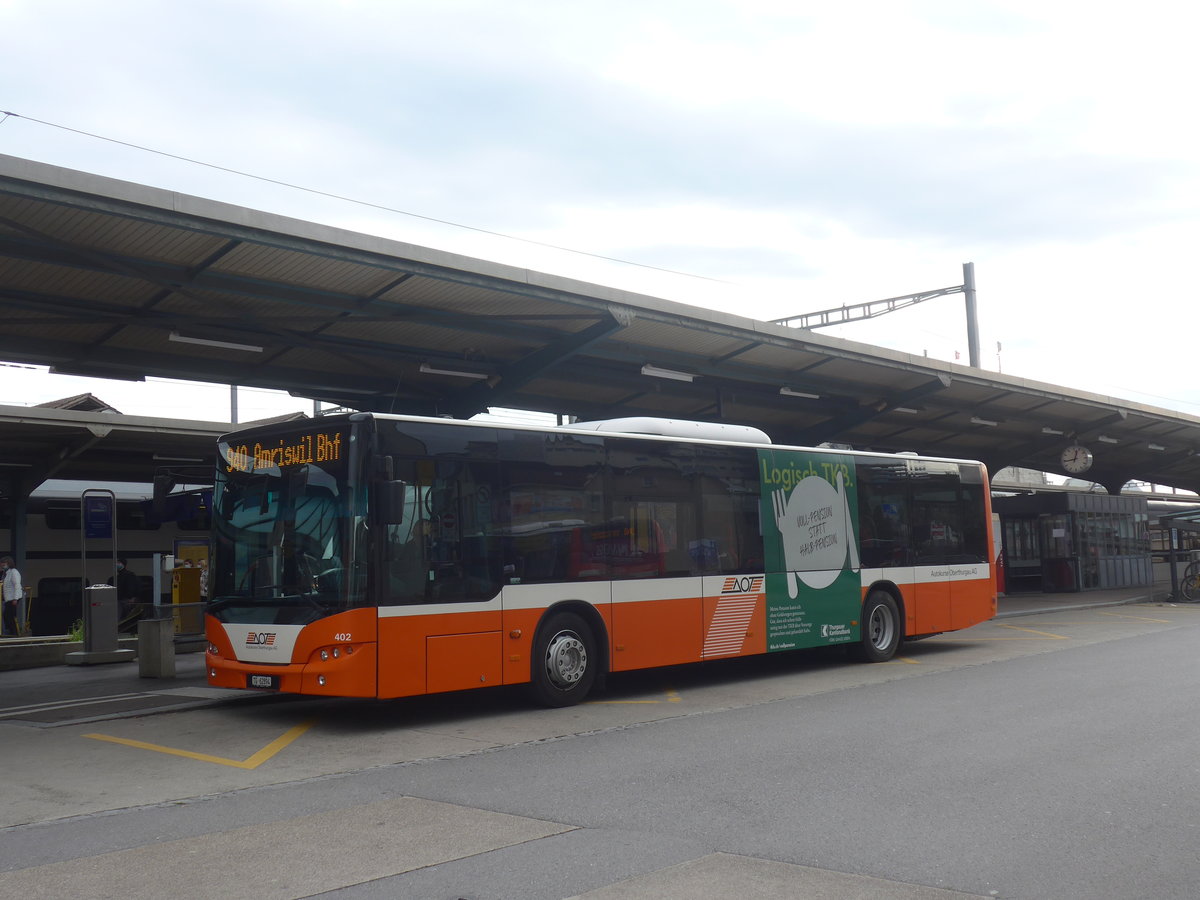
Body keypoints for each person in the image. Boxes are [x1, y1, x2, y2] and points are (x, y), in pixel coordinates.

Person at [108, 558, 141, 622]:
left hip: (124, 600)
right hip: (125, 600)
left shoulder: (128, 576)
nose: (116, 565)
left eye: (118, 563)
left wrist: (132, 597)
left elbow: (133, 588)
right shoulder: (127, 575)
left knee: (120, 616)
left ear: (122, 564)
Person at [1, 556, 22, 637]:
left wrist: (15, 598)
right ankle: (12, 632)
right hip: (9, 598)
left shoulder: (14, 572)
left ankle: (14, 633)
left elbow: (17, 585)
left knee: (9, 616)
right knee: (7, 615)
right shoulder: (7, 573)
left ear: (9, 563)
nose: (3, 566)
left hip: (13, 598)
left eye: (4, 564)